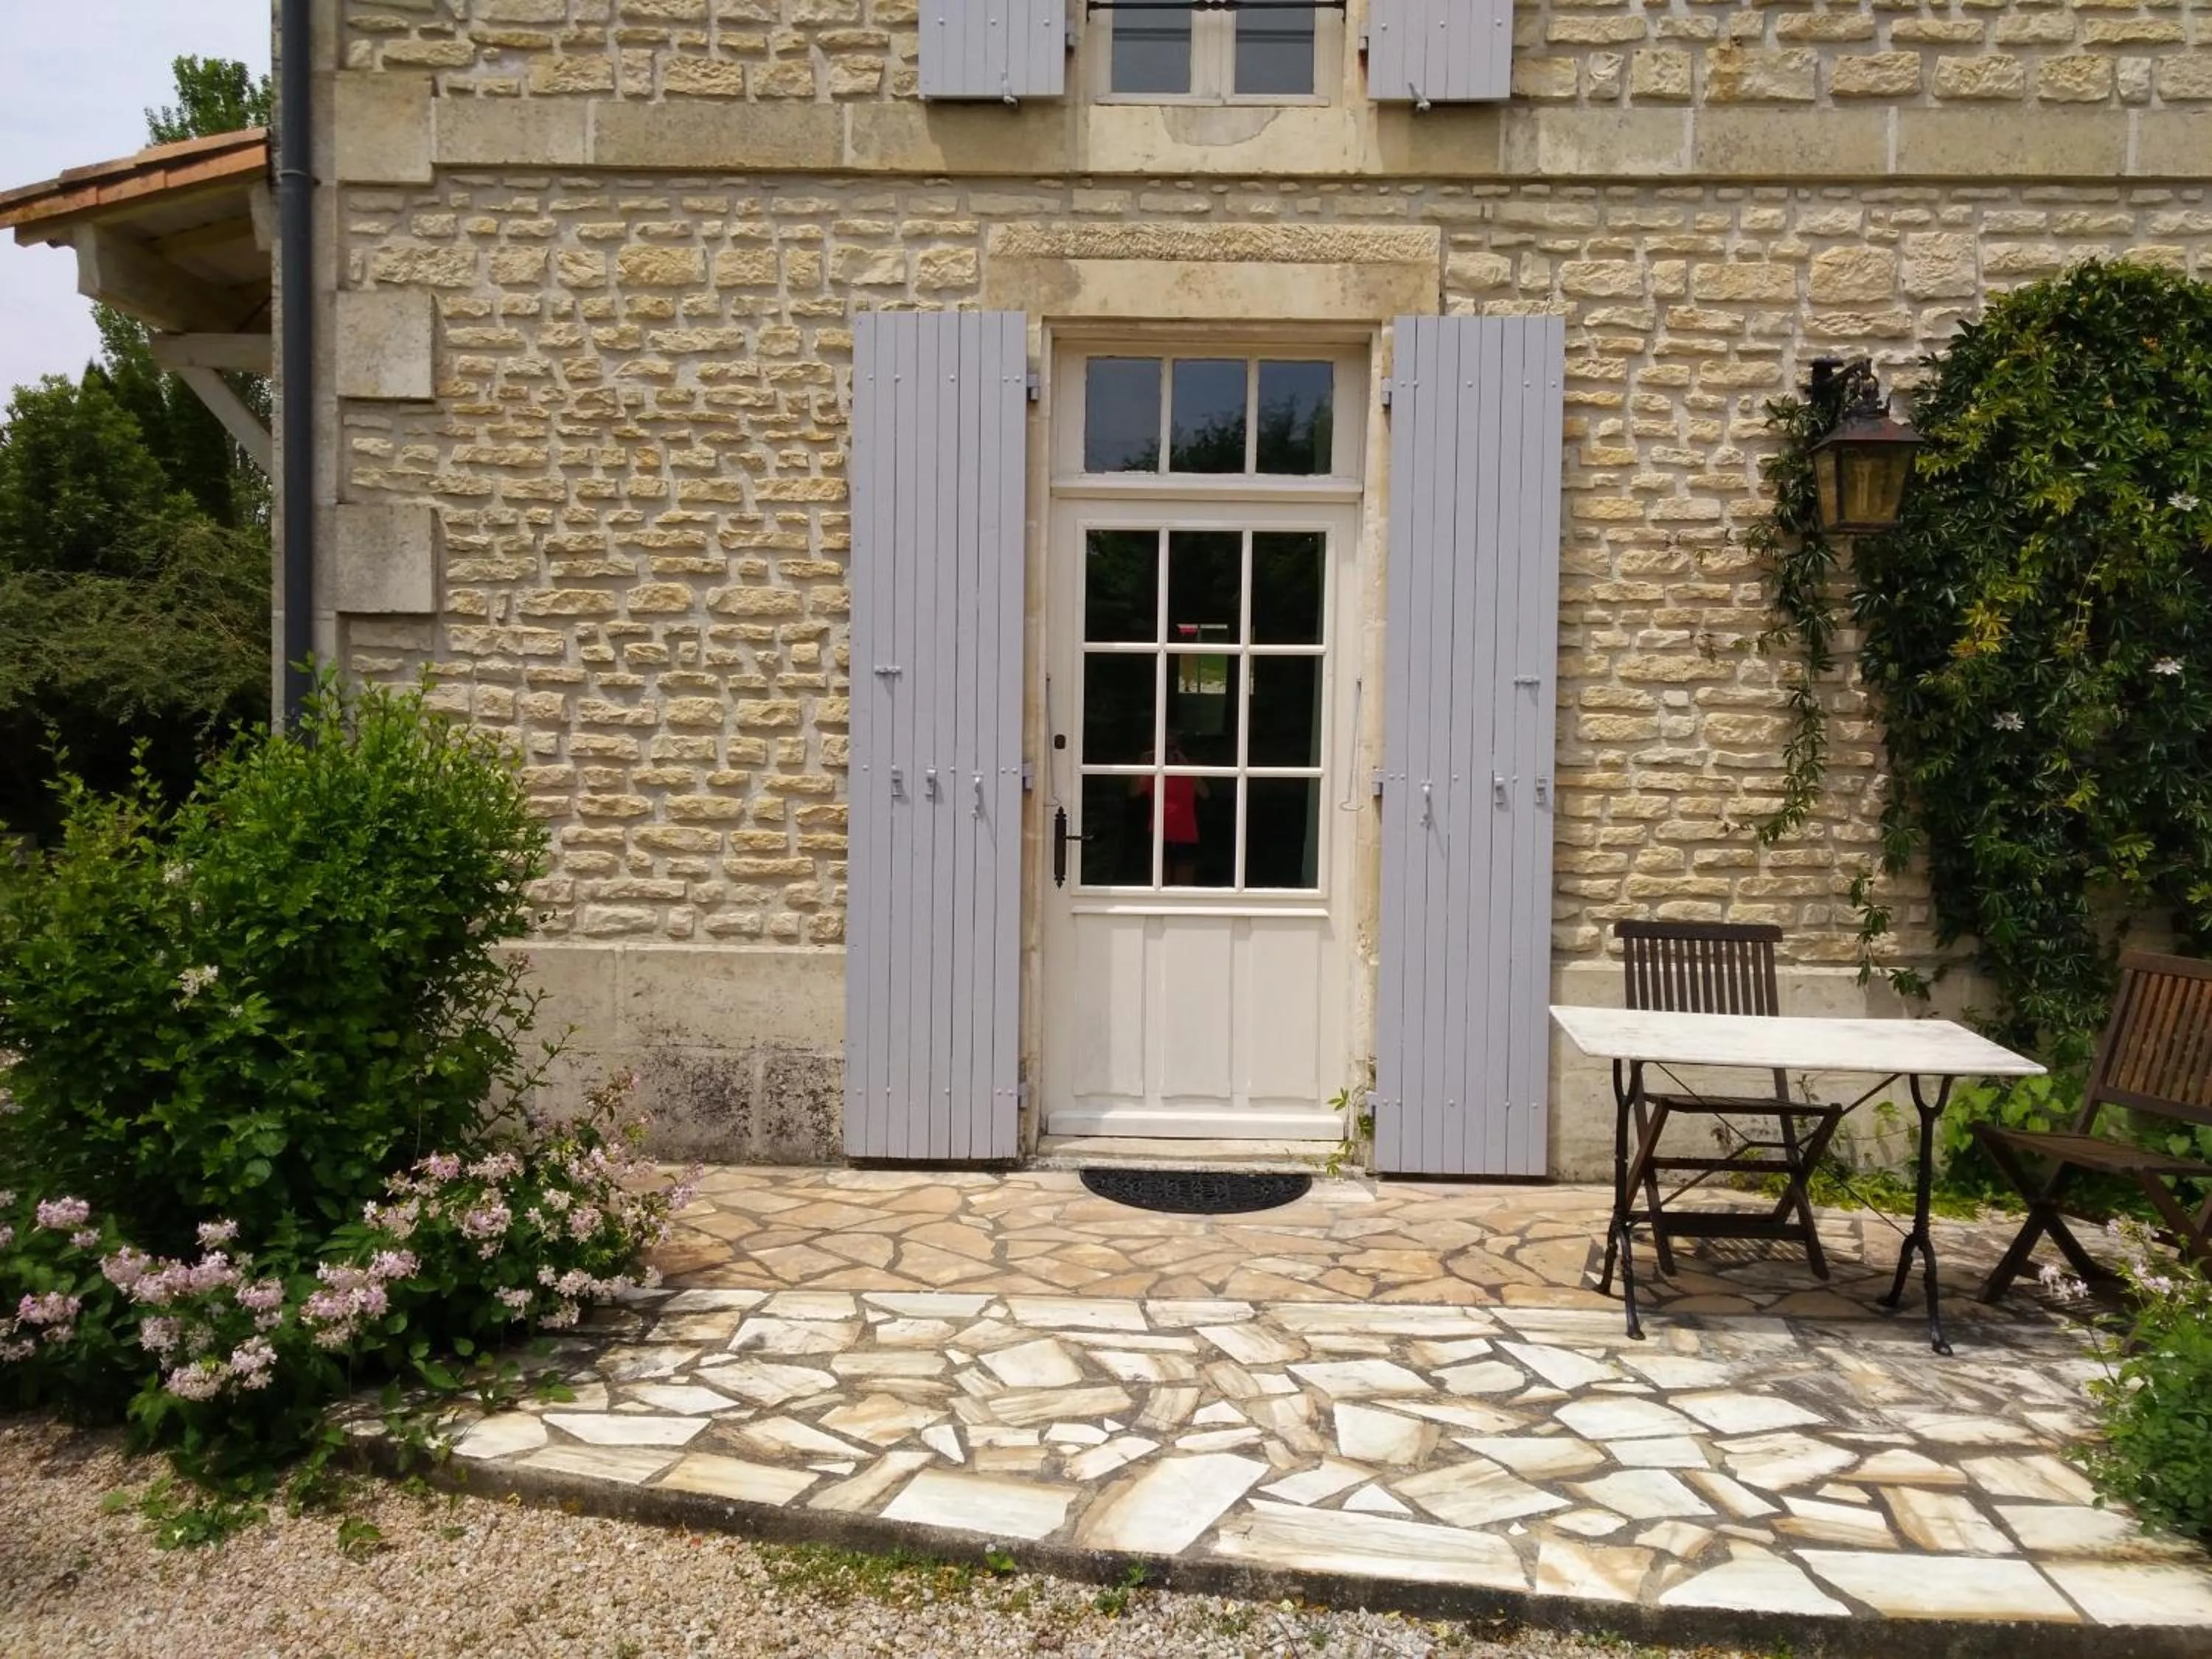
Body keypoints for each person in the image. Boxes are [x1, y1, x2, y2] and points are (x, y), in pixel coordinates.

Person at [1133, 733, 1208, 885]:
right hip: (1159, 833)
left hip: (1186, 834)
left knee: (1184, 886)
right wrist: (1143, 765)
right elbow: (1134, 792)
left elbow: (1205, 793)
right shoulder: (1153, 773)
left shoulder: (1188, 773)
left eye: (1171, 748)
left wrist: (1185, 765)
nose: (1167, 753)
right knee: (1159, 884)